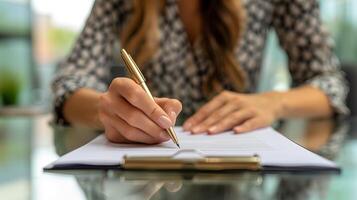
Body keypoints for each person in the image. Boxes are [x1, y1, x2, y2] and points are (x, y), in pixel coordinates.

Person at [52, 0, 349, 144]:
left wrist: (274, 102)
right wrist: (106, 111)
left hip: (242, 167)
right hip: (146, 170)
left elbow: (328, 83)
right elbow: (70, 84)